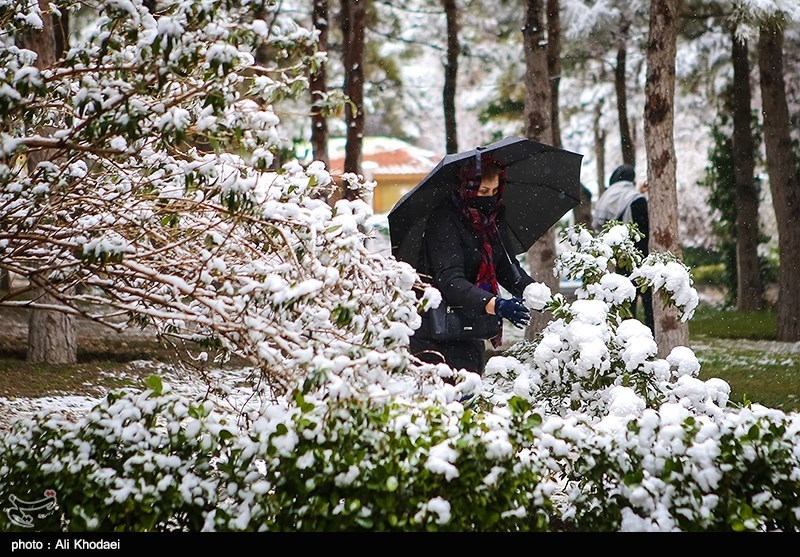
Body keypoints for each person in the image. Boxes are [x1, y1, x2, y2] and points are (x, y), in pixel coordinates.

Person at [409, 155, 536, 376]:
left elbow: (505, 266)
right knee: (445, 404)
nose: (489, 198)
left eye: (495, 191)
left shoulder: (492, 220)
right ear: (467, 188)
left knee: (470, 398)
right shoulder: (444, 219)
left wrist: (531, 290)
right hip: (436, 332)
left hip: (472, 327)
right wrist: (496, 305)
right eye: (483, 191)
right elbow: (450, 281)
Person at [592, 164, 655, 333]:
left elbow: (599, 223)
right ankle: (651, 335)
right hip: (641, 255)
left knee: (626, 299)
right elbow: (643, 227)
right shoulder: (636, 198)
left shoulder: (606, 197)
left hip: (618, 256)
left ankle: (625, 336)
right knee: (648, 300)